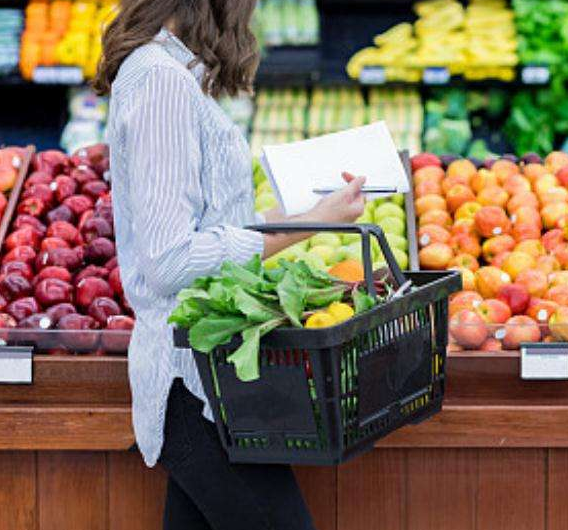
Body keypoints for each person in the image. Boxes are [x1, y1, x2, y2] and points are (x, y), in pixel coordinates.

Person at [93, 1, 365, 528]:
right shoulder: (160, 83)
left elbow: (213, 226)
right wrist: (305, 227)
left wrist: (314, 213)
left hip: (213, 380)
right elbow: (172, 258)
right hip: (192, 387)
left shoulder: (168, 74)